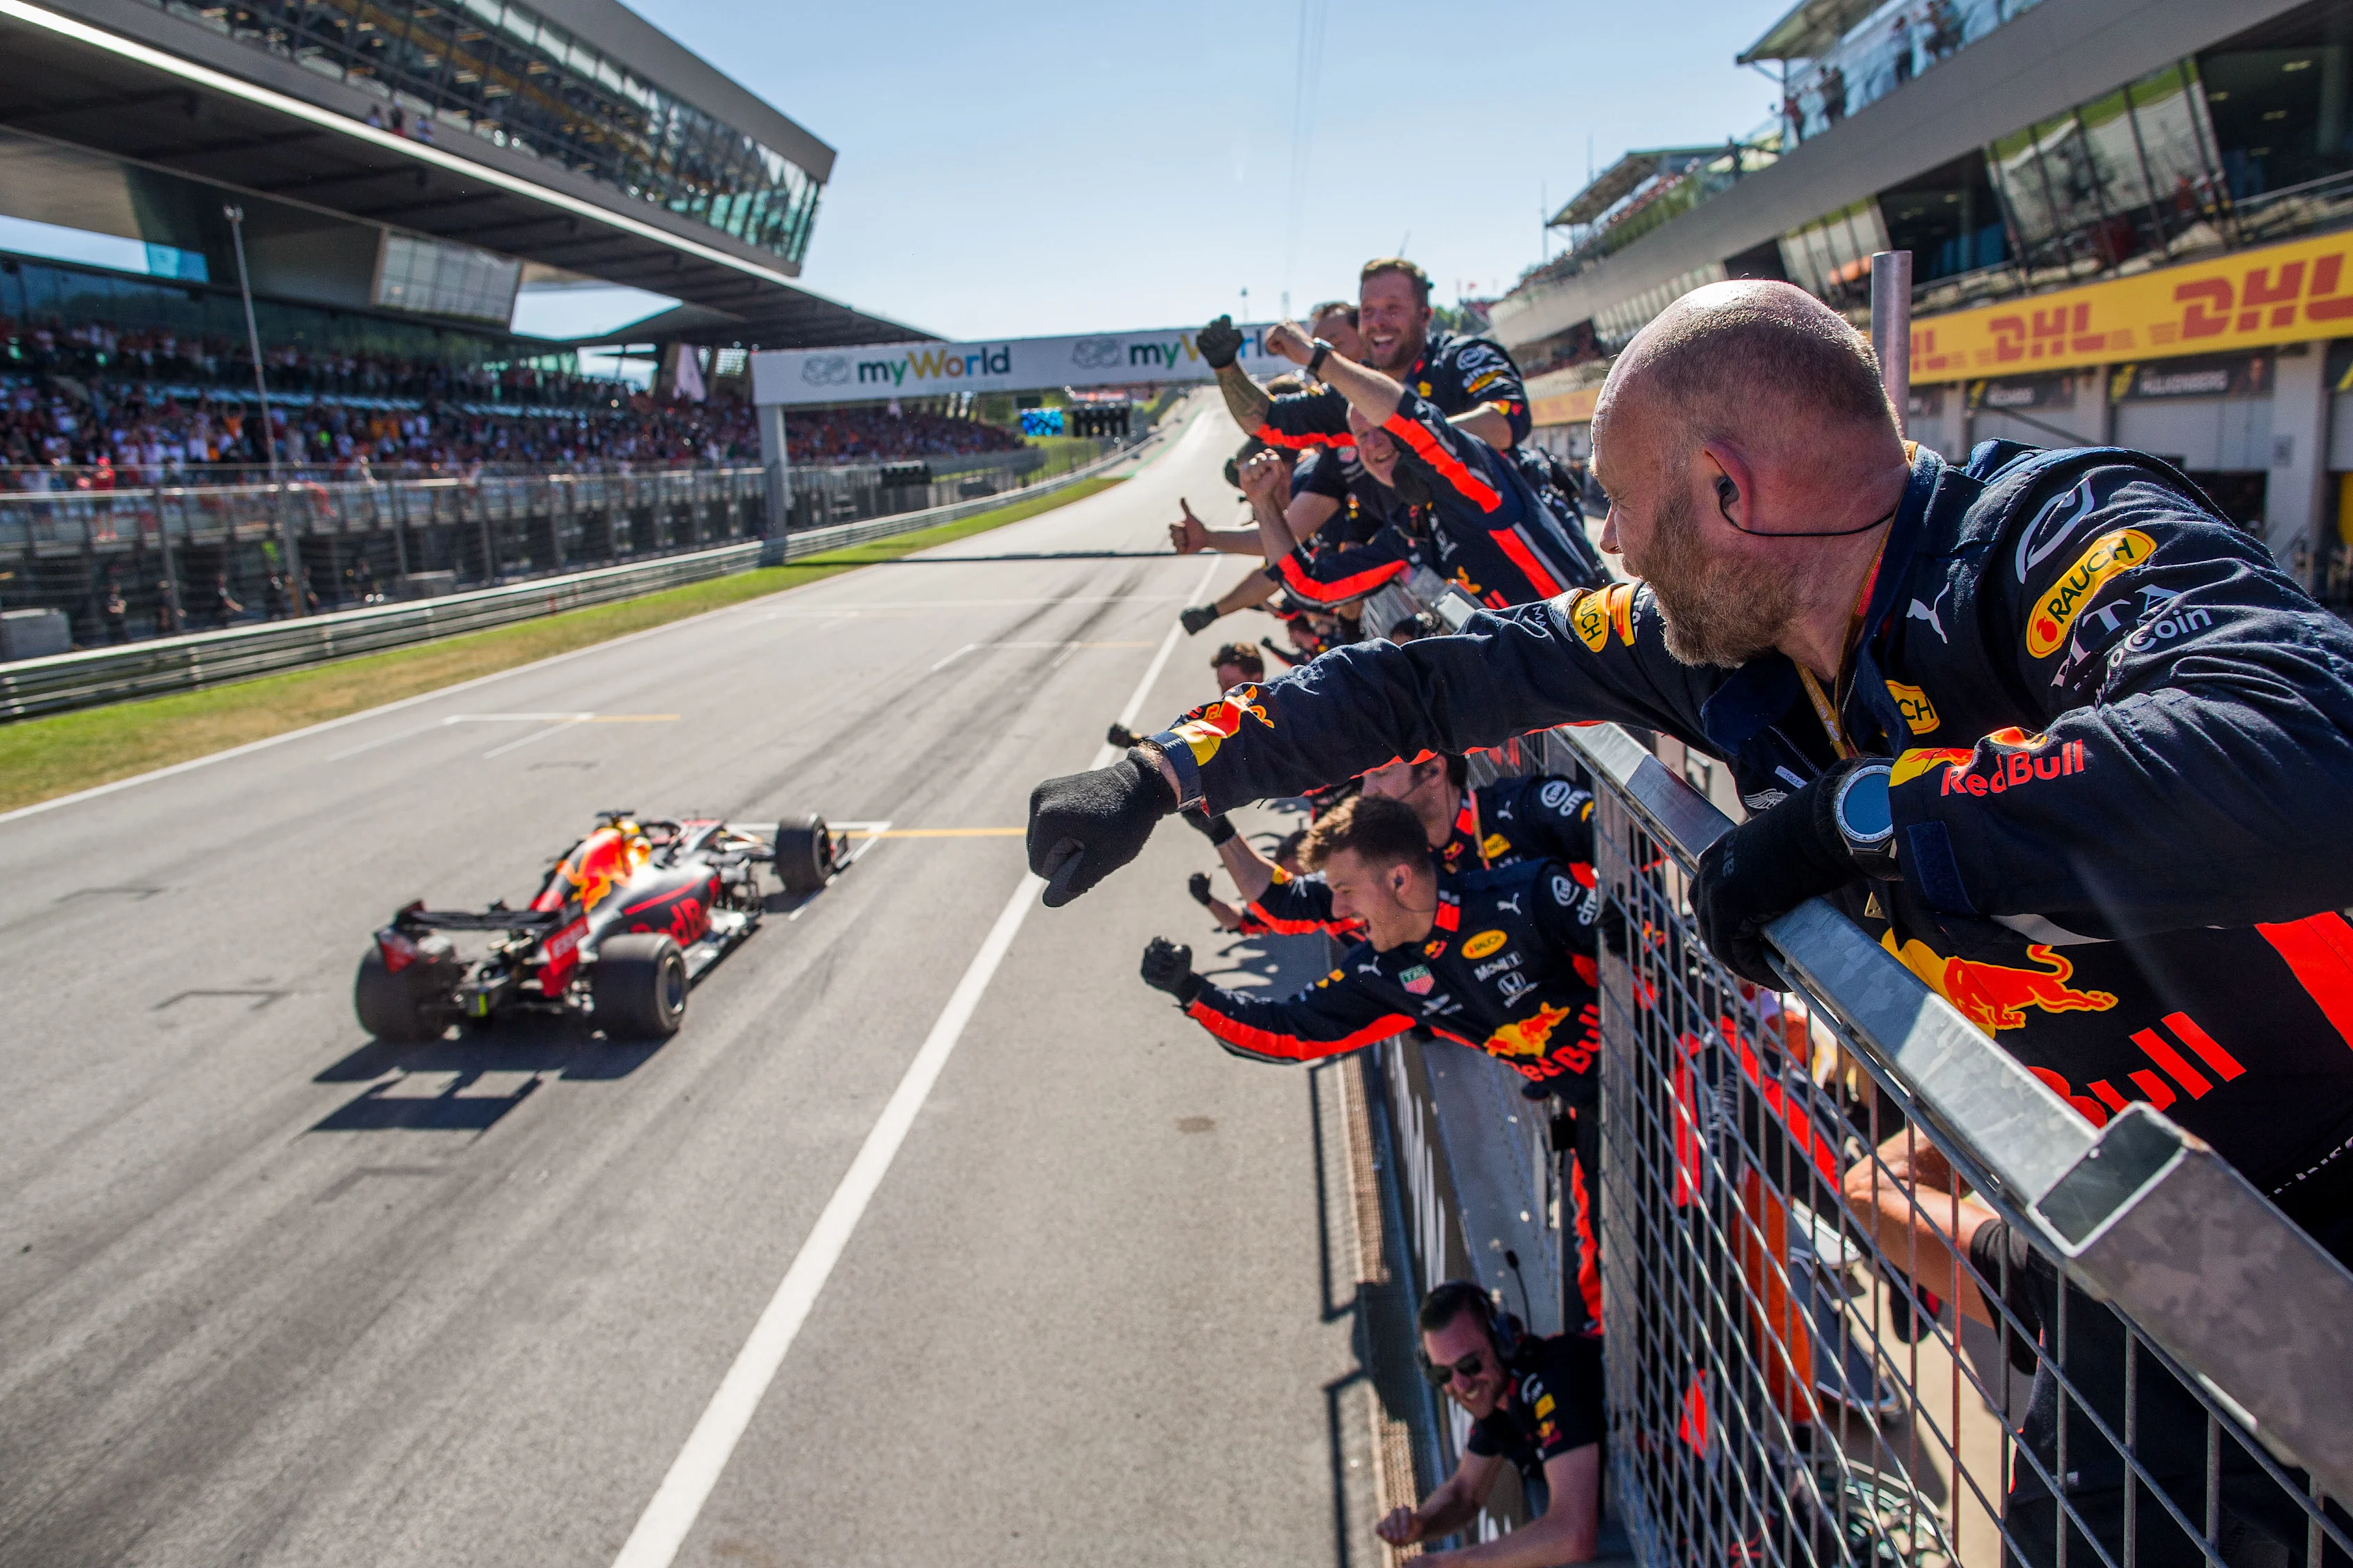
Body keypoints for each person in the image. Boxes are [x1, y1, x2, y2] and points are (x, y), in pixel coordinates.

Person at [1028, 278, 2353, 1265]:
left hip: (2313, 1200)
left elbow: (2310, 748)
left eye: (1615, 501)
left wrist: (1859, 821)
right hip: (2142, 1226)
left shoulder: (2044, 543)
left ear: (1724, 492)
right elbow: (1432, 680)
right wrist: (1163, 771)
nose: (1602, 543)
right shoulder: (1706, 637)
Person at [1138, 793, 1603, 1100]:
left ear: (1400, 878)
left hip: (1659, 1078)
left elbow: (1652, 960)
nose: (1336, 911)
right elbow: (1290, 1033)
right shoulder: (1382, 973)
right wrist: (1193, 991)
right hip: (1598, 1115)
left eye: (1344, 889)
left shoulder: (1527, 894)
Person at [1375, 1281, 1604, 1567]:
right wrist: (1420, 1524)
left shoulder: (1554, 1379)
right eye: (1442, 1374)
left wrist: (1454, 1564)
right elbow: (1463, 1495)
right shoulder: (1502, 1403)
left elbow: (1575, 1536)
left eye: (1470, 1364)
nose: (1461, 1384)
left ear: (1503, 1342)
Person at [1199, 259, 1531, 456]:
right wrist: (1226, 367)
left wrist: (1399, 436)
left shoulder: (1463, 357)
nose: (1378, 323)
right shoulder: (1351, 390)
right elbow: (1267, 423)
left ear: (1425, 315)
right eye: (1369, 311)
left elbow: (1506, 422)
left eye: (1393, 308)